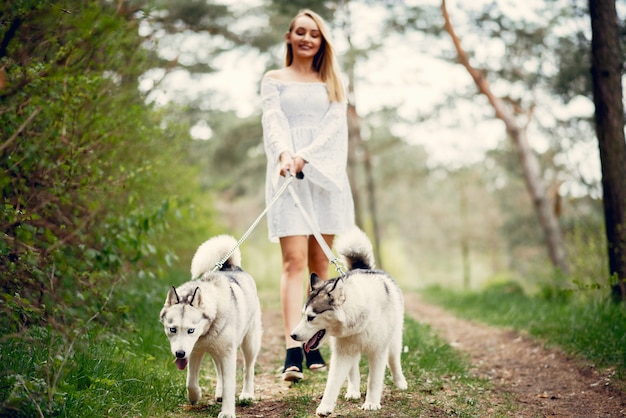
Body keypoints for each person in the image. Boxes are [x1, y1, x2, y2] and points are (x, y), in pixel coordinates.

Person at [260, 9, 355, 382]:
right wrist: (285, 153)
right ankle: (291, 350)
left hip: (324, 176)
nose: (306, 38)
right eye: (300, 32)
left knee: (320, 266)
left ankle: (314, 342)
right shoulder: (273, 79)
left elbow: (334, 127)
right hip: (287, 176)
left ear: (321, 41)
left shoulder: (333, 81)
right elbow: (273, 119)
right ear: (289, 36)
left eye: (313, 34)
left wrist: (306, 156)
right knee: (293, 262)